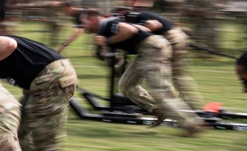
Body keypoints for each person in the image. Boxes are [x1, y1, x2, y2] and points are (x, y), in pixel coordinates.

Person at [76, 9, 206, 136]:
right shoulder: (103, 29)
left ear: (93, 19)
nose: (82, 26)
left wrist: (107, 41)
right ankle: (157, 110)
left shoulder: (107, 24)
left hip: (153, 49)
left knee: (160, 92)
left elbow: (129, 30)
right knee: (126, 84)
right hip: (145, 51)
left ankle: (192, 124)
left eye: (83, 22)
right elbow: (133, 35)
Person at [122, 9, 205, 111]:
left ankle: (168, 107)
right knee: (179, 76)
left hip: (169, 39)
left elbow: (153, 25)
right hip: (179, 36)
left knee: (162, 78)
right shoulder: (146, 13)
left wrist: (139, 30)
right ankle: (194, 106)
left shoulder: (138, 18)